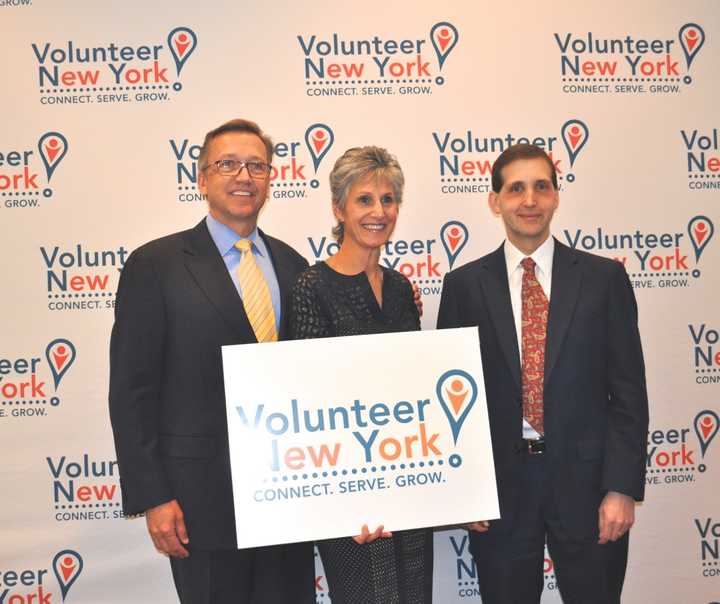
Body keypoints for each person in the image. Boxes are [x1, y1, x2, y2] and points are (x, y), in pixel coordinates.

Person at [108, 119, 315, 604]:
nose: (244, 176)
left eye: (257, 166)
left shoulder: (293, 265)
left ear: (270, 179)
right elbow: (131, 390)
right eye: (228, 164)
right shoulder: (155, 265)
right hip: (200, 502)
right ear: (201, 179)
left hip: (291, 496)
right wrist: (154, 496)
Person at [436, 143, 649, 604]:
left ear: (555, 196)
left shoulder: (604, 279)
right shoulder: (463, 286)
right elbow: (451, 401)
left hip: (590, 491)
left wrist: (621, 488)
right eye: (515, 189)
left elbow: (629, 392)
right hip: (501, 493)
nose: (529, 200)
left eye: (540, 187)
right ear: (495, 201)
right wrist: (465, 492)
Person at [289, 146, 433, 604]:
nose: (378, 212)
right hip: (350, 509)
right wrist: (349, 503)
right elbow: (312, 402)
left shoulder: (401, 289)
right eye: (364, 200)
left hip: (409, 495)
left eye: (388, 200)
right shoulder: (312, 287)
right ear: (339, 209)